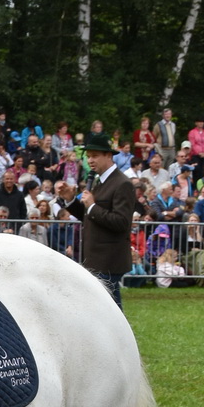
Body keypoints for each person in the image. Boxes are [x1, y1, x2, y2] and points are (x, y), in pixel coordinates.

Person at [62, 131, 134, 306]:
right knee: (106, 310)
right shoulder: (98, 181)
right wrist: (70, 200)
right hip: (96, 259)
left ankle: (119, 334)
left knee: (108, 310)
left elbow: (121, 222)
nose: (90, 160)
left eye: (95, 156)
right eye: (88, 156)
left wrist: (93, 206)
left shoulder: (122, 183)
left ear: (108, 155)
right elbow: (90, 217)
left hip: (109, 260)